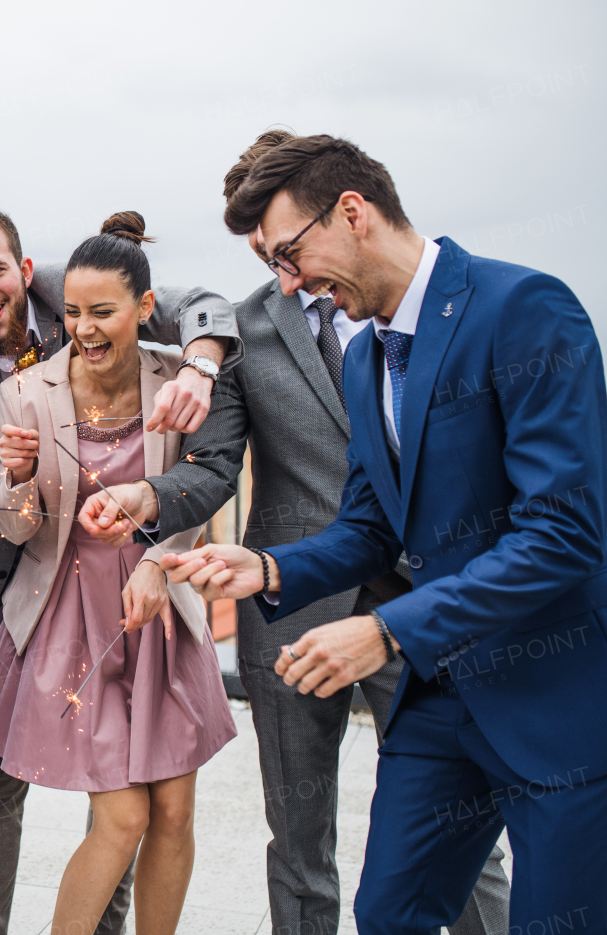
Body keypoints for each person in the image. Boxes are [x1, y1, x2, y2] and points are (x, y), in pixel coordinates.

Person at [163, 135, 607, 933]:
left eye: (293, 253)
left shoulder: (527, 309)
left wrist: (387, 629)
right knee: (388, 913)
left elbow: (565, 535)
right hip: (444, 700)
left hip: (553, 702)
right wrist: (264, 568)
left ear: (355, 213)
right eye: (274, 264)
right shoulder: (367, 356)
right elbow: (367, 529)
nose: (291, 282)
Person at [79, 131, 509, 934]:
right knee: (301, 843)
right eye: (259, 250)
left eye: (281, 245)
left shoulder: (431, 305)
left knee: (467, 838)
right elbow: (213, 469)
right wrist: (145, 495)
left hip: (426, 606)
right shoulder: (243, 331)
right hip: (293, 612)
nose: (279, 268)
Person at [0, 197, 242, 935]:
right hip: (41, 591)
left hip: (153, 608)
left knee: (155, 806)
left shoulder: (99, 308)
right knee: (8, 780)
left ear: (27, 272)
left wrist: (201, 363)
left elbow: (198, 465)